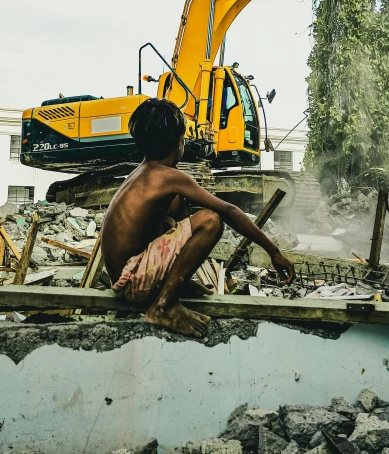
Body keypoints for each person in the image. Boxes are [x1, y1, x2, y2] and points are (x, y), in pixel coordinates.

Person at [101, 98, 296, 338]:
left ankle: (172, 285)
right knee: (210, 220)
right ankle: (163, 306)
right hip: (133, 284)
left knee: (179, 204)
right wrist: (273, 251)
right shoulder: (168, 176)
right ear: (177, 142)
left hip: (123, 278)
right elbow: (230, 211)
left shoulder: (140, 173)